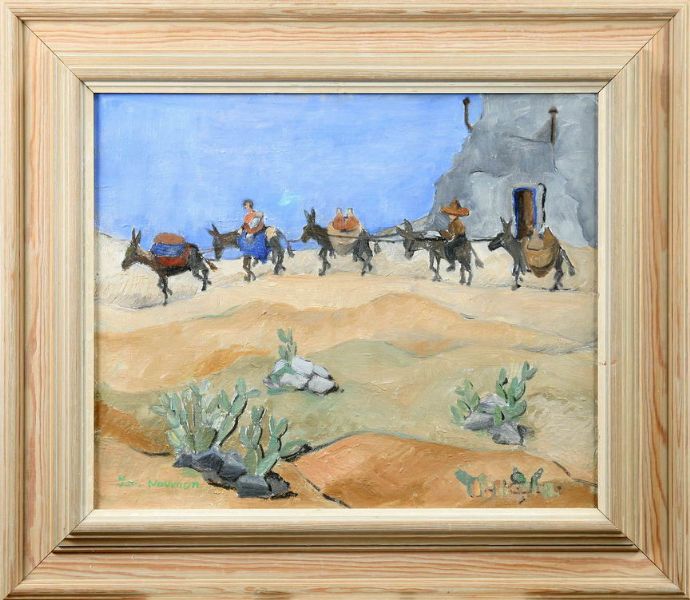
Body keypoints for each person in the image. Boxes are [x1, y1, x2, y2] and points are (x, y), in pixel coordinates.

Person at [237, 199, 270, 263]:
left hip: (257, 231)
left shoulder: (257, 213)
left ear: (250, 205)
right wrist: (242, 228)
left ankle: (259, 257)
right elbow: (245, 225)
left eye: (246, 205)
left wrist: (254, 230)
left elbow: (260, 224)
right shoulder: (247, 216)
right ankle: (249, 255)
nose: (245, 206)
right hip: (249, 231)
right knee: (243, 239)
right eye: (245, 205)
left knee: (258, 240)